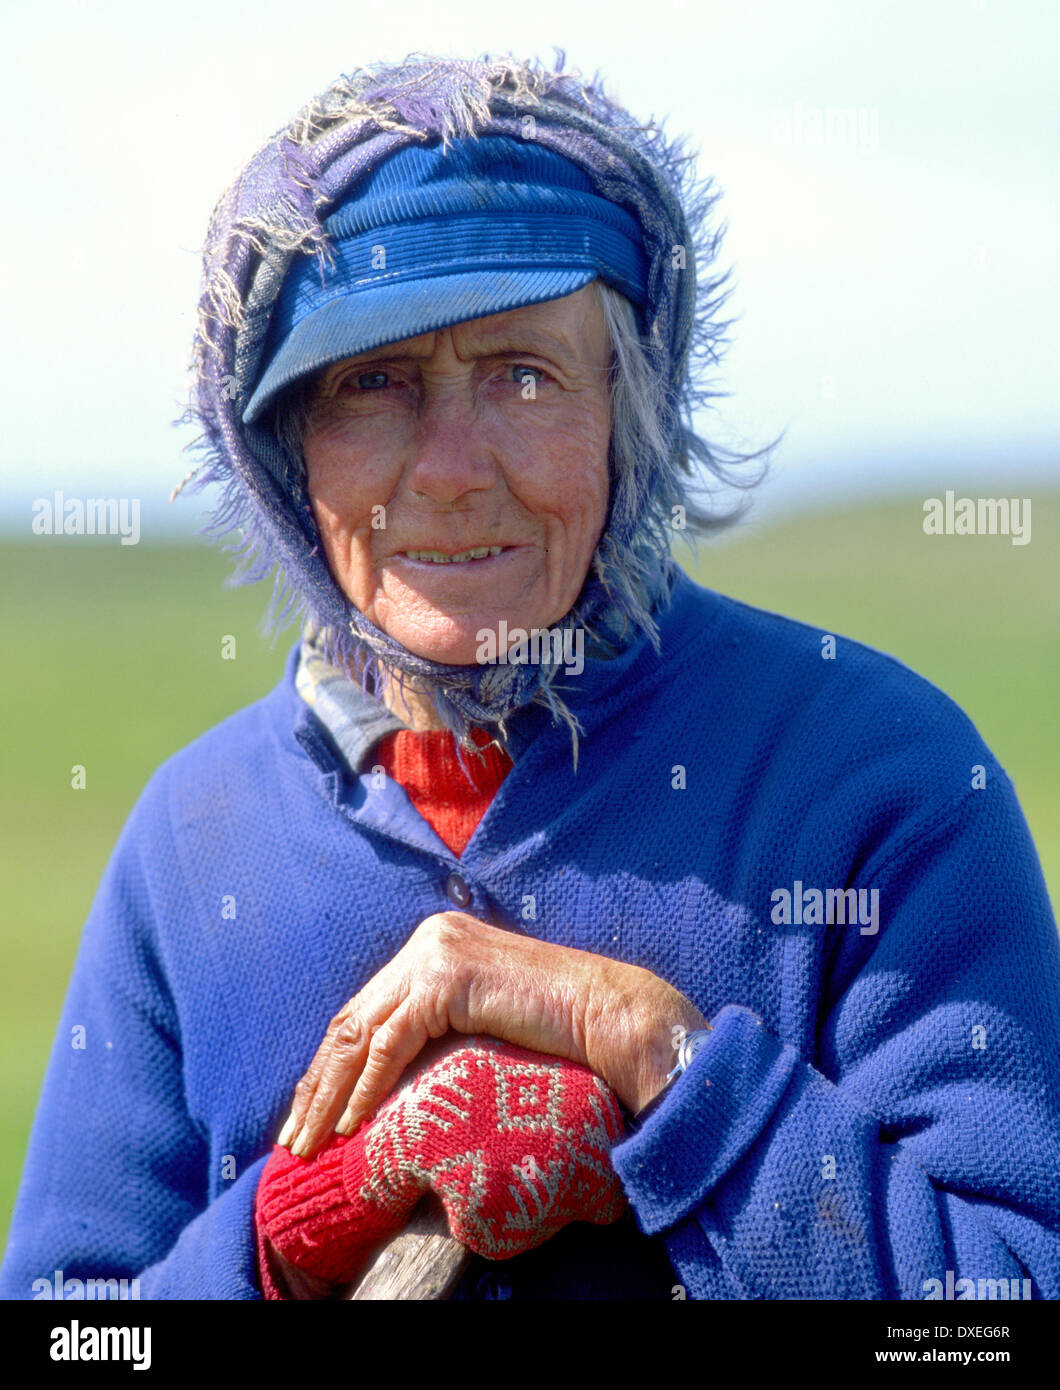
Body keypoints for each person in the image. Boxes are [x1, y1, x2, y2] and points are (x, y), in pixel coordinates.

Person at [2, 53, 1059, 1302]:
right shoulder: (194, 839)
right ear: (281, 448)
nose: (450, 469)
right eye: (370, 384)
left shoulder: (881, 782)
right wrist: (291, 1227)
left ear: (633, 408)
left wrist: (661, 1067)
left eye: (522, 376)